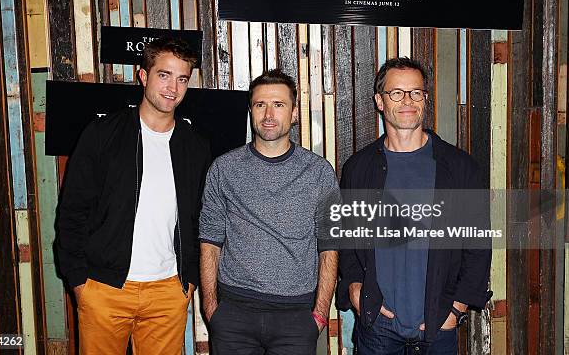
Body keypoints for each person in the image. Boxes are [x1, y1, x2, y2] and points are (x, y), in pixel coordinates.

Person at [56, 37, 211, 355]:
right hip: (103, 288)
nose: (173, 88)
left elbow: (199, 218)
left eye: (182, 78)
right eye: (164, 75)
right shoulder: (102, 134)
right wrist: (80, 282)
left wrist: (189, 279)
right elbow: (73, 211)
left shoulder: (195, 146)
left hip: (169, 291)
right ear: (144, 76)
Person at [337, 57, 492, 354]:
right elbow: (347, 240)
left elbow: (478, 245)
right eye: (396, 93)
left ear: (425, 99)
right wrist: (355, 287)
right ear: (380, 101)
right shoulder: (358, 169)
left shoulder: (460, 168)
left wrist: (456, 309)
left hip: (438, 327)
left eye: (415, 92)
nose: (407, 100)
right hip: (377, 329)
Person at [199, 69, 340, 354]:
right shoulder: (224, 168)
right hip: (234, 312)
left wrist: (320, 313)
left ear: (294, 112)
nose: (268, 114)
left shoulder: (319, 172)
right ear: (250, 110)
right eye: (260, 104)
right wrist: (212, 309)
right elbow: (209, 242)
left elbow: (330, 245)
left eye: (279, 104)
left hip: (296, 316)